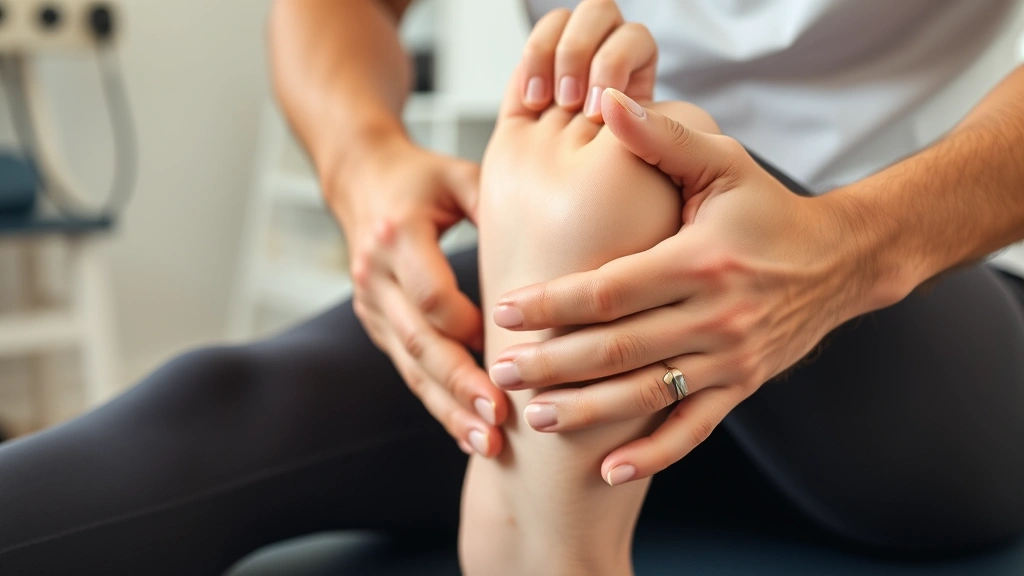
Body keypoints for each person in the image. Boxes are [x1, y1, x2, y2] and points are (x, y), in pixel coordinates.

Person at [1, 0, 1023, 574]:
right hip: (560, 300)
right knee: (206, 415)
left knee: (627, 161)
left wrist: (855, 246)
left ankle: (553, 536)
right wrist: (363, 164)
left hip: (913, 300)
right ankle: (547, 488)